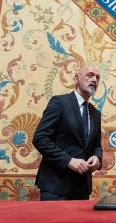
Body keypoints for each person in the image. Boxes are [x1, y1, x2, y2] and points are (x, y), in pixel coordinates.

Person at [32, 64, 103, 200]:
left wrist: (97, 158)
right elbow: (40, 138)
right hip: (55, 187)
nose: (94, 79)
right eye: (90, 75)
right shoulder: (59, 103)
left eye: (97, 77)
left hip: (82, 189)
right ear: (76, 78)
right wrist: (68, 160)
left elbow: (97, 145)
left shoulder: (96, 113)